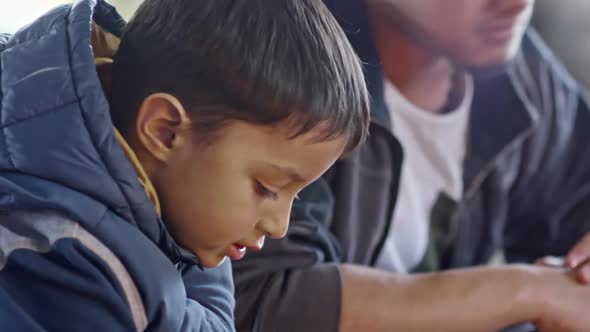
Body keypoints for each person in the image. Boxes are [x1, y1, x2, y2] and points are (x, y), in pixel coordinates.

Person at [0, 0, 369, 330]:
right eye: (267, 187)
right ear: (164, 131)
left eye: (295, 195)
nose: (278, 227)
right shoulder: (66, 261)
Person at [233, 0, 590, 331]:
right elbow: (262, 298)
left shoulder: (528, 82)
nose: (516, 3)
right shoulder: (283, 66)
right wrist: (531, 292)